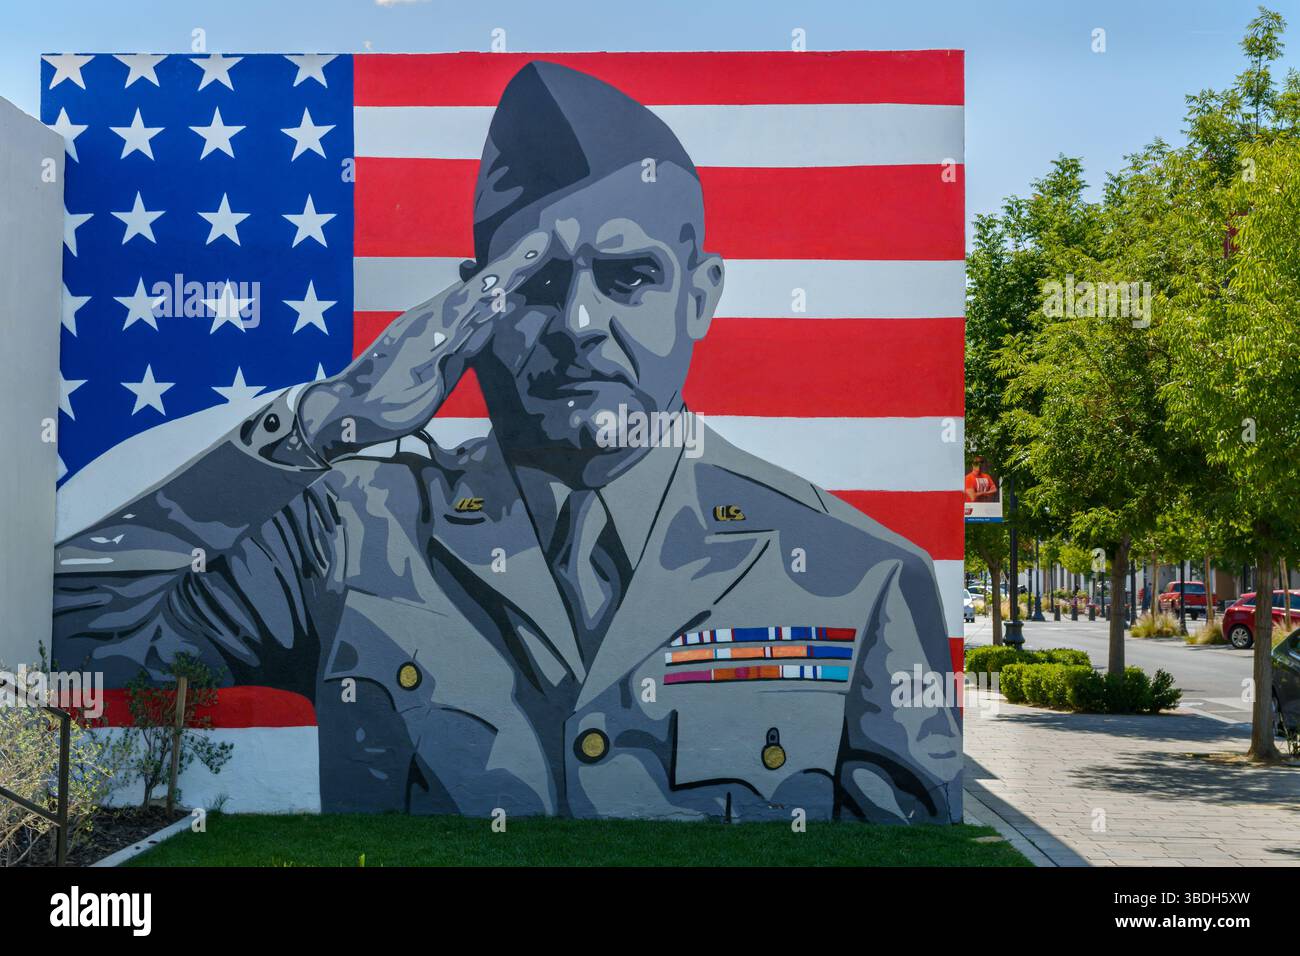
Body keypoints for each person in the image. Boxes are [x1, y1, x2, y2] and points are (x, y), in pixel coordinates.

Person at [53, 61, 960, 822]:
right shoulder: (350, 530)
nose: (576, 322)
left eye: (628, 275)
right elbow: (69, 633)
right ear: (465, 305)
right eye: (529, 283)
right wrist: (327, 418)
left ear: (701, 293)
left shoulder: (863, 575)